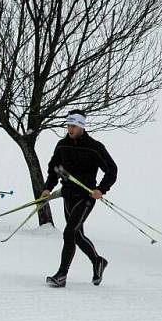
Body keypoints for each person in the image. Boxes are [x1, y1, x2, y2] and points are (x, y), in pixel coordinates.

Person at [41, 109, 117, 288]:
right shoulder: (62, 145)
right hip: (68, 195)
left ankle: (61, 275)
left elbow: (112, 170)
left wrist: (101, 189)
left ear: (82, 126)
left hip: (86, 197)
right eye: (68, 125)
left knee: (69, 233)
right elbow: (54, 168)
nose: (70, 129)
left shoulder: (94, 146)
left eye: (73, 126)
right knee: (77, 235)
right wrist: (47, 188)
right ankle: (98, 261)